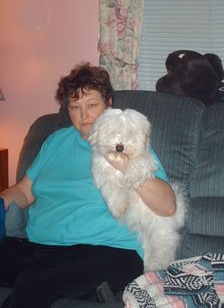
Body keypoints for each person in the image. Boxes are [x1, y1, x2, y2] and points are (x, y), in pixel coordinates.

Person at [0, 62, 176, 308]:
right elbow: (23, 191)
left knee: (33, 282)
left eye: (92, 105)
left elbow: (168, 206)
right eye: (74, 106)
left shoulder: (127, 142)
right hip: (42, 249)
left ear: (109, 103)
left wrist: (124, 164)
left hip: (108, 252)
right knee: (33, 277)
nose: (83, 115)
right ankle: (87, 293)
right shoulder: (55, 141)